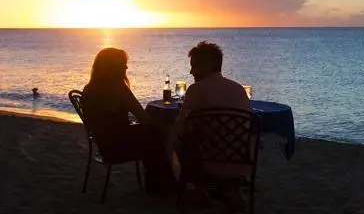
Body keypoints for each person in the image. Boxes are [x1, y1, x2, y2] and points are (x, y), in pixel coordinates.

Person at [81, 47, 177, 195]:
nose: (126, 67)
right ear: (113, 67)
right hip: (117, 146)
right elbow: (143, 117)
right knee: (156, 134)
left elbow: (104, 119)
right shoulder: (118, 88)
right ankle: (164, 186)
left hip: (104, 145)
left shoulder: (89, 88)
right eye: (122, 63)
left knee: (152, 135)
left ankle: (158, 185)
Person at [174, 41, 251, 211]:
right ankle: (234, 190)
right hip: (241, 162)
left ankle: (201, 190)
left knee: (179, 140)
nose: (191, 72)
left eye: (194, 66)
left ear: (207, 65)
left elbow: (180, 128)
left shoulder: (197, 89)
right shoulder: (238, 89)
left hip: (208, 162)